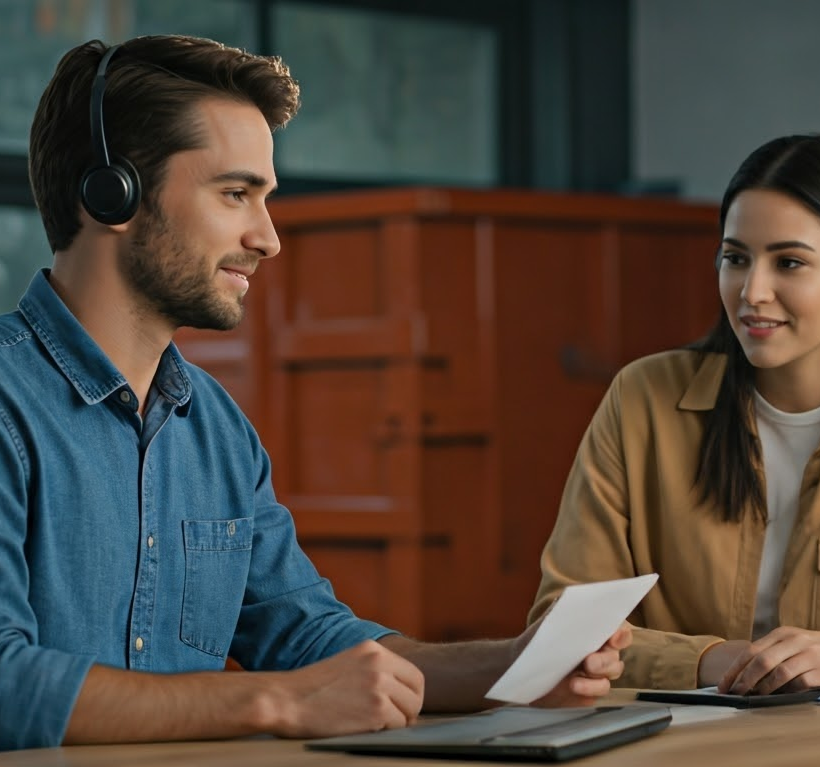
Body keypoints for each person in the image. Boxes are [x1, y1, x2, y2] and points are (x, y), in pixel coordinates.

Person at [0, 35, 630, 751]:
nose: (268, 237)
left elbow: (313, 640)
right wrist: (275, 700)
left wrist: (515, 664)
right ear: (111, 193)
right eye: (236, 193)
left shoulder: (216, 430)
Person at [529, 133, 820, 696]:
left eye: (789, 262)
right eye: (735, 258)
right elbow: (564, 628)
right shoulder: (644, 398)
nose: (753, 291)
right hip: (677, 740)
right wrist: (724, 660)